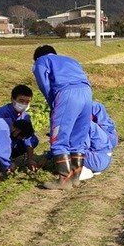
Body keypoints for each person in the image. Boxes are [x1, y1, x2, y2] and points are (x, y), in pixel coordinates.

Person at [32, 45, 94, 189]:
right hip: (86, 93)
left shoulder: (41, 61)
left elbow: (44, 85)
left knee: (58, 138)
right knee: (78, 137)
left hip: (67, 94)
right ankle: (76, 178)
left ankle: (64, 180)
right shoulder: (70, 60)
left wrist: (53, 104)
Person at [0, 84, 39, 164]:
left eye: (27, 102)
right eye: (21, 101)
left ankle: (10, 156)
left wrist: (30, 159)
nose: (24, 104)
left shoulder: (25, 116)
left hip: (13, 142)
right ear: (12, 99)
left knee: (33, 140)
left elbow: (28, 138)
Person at [79, 100, 119, 181]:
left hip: (98, 158)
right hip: (105, 155)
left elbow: (83, 145)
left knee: (68, 153)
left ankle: (83, 171)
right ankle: (93, 167)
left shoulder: (82, 123)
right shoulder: (91, 119)